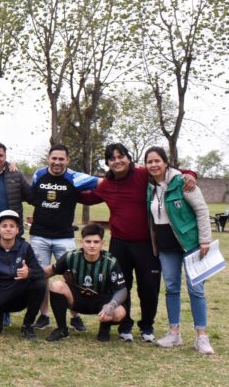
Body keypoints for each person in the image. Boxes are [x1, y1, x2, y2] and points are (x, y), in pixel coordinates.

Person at [79, 142, 197, 342]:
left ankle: (147, 327)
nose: (117, 161)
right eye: (112, 158)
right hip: (119, 243)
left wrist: (190, 174)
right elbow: (87, 198)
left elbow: (172, 171)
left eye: (120, 156)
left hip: (146, 243)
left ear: (128, 157)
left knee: (149, 288)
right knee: (121, 287)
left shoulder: (144, 175)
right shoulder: (106, 185)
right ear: (107, 163)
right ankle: (125, 326)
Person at [144, 147, 214, 354]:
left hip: (190, 243)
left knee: (196, 289)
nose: (153, 165)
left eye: (157, 161)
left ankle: (202, 337)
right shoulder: (150, 186)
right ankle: (174, 334)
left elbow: (201, 210)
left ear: (166, 162)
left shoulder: (182, 182)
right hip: (166, 247)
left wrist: (205, 240)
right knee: (172, 288)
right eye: (149, 162)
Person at [30, 144, 98, 332]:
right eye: (54, 158)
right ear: (48, 158)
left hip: (64, 236)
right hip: (39, 235)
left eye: (61, 159)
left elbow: (102, 183)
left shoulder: (76, 177)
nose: (57, 162)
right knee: (41, 277)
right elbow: (31, 194)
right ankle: (44, 316)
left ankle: (74, 315)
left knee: (72, 275)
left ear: (67, 160)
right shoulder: (38, 174)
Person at [43, 223, 128, 342]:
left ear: (102, 243)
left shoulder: (110, 262)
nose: (92, 245)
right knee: (56, 285)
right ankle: (62, 329)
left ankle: (104, 329)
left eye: (96, 242)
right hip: (79, 300)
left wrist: (111, 305)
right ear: (82, 242)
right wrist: (29, 274)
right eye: (88, 242)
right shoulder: (72, 256)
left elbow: (122, 290)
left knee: (119, 312)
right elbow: (49, 271)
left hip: (102, 303)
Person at [0, 210, 45, 340]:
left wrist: (29, 273)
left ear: (17, 230)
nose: (8, 229)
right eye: (4, 226)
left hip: (19, 294)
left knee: (40, 284)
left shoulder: (25, 247)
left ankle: (27, 325)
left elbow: (40, 272)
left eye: (12, 226)